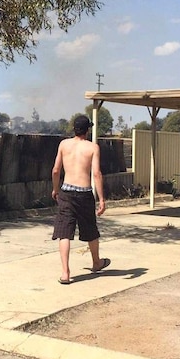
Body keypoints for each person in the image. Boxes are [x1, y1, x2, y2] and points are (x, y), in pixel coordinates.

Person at [51, 115, 109, 285]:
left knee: (64, 232)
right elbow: (97, 174)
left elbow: (55, 170)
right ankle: (97, 262)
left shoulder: (64, 145)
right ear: (87, 130)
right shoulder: (93, 147)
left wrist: (55, 189)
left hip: (67, 191)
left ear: (73, 129)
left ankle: (65, 273)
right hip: (84, 192)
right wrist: (102, 199)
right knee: (90, 229)